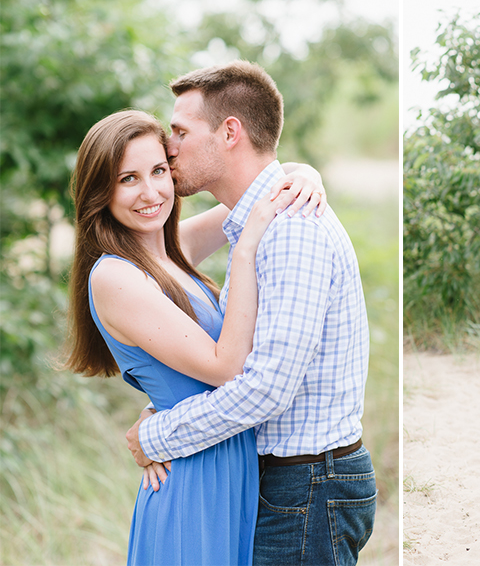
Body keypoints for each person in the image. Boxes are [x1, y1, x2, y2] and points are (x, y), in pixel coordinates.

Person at [124, 60, 377, 565]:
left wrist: (156, 434)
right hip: (281, 483)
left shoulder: (291, 231)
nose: (169, 147)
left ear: (230, 132)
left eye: (180, 131)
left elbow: (266, 388)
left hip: (305, 488)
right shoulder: (258, 221)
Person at [65, 109, 326, 565]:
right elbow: (226, 367)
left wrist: (306, 173)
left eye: (159, 170)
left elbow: (259, 190)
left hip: (228, 467)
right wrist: (244, 250)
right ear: (100, 191)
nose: (151, 193)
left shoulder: (168, 250)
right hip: (191, 483)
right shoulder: (114, 276)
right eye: (128, 178)